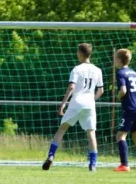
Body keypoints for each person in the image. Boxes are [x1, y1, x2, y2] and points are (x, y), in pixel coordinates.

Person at [42, 43, 103, 171]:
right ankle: (93, 164)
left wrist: (63, 104)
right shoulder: (98, 70)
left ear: (80, 53)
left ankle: (51, 156)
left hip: (77, 101)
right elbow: (100, 90)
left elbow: (71, 87)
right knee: (91, 133)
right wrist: (92, 99)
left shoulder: (77, 69)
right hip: (89, 103)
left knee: (62, 129)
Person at [113, 49, 136, 172]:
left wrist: (119, 97)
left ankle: (124, 165)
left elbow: (123, 91)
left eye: (115, 58)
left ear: (118, 59)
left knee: (120, 135)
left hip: (130, 108)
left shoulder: (121, 73)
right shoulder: (134, 73)